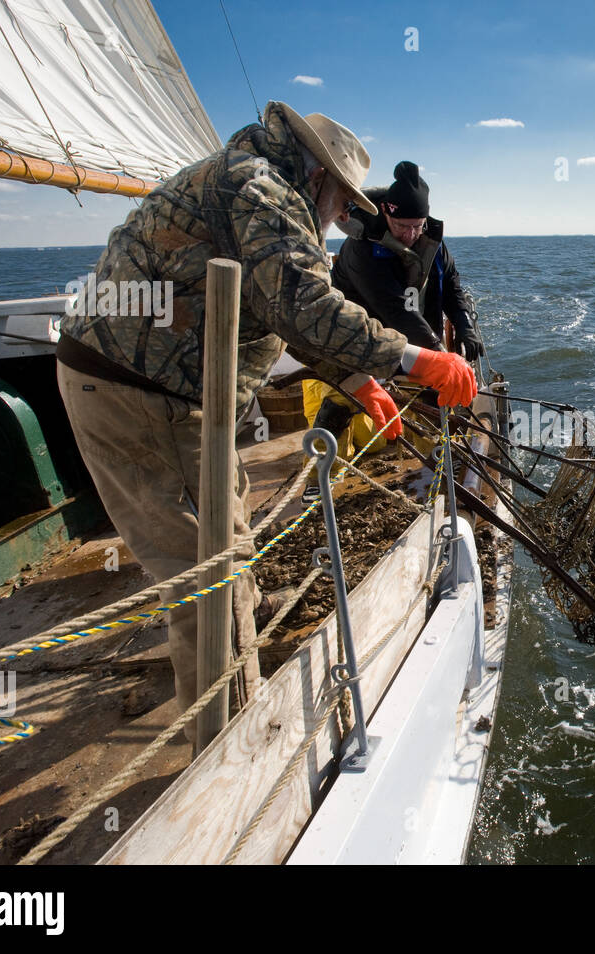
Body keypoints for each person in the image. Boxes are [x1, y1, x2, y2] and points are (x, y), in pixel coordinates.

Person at [55, 101, 474, 751]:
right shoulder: (262, 189)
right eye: (340, 209)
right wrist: (417, 359)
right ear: (319, 180)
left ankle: (228, 687)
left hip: (173, 396)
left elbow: (275, 305)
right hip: (137, 397)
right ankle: (226, 753)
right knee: (207, 578)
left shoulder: (254, 183)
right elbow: (305, 304)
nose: (338, 224)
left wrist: (358, 380)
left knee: (227, 553)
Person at [331, 161, 484, 360]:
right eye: (401, 226)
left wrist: (464, 324)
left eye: (417, 226)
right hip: (362, 346)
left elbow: (449, 285)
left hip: (416, 340)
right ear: (385, 211)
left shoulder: (432, 242)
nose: (410, 235)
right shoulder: (362, 247)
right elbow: (394, 308)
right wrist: (438, 353)